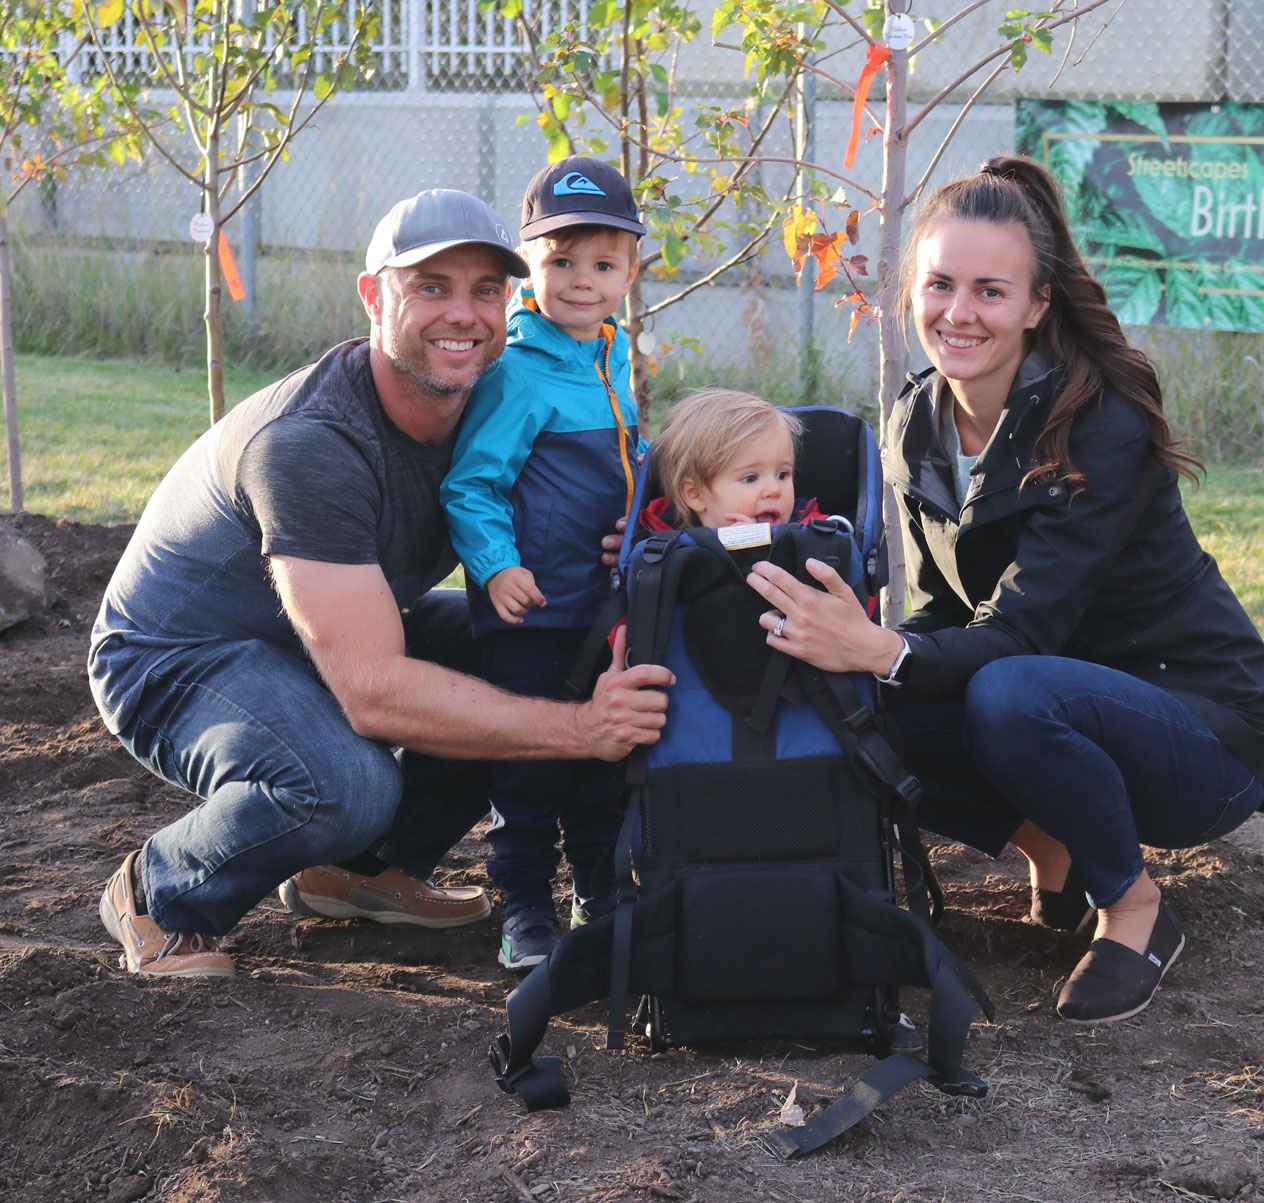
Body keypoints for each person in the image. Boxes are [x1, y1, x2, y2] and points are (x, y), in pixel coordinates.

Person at [745, 155, 1264, 1025]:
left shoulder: (1097, 422)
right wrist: (860, 656)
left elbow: (1021, 634)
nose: (959, 313)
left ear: (1037, 305)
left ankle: (1136, 908)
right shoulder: (915, 419)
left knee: (999, 688)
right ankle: (1054, 846)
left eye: (990, 291)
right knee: (859, 696)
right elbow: (945, 614)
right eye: (940, 285)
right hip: (1053, 701)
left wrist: (882, 648)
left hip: (1199, 733)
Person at [88, 188, 672, 980]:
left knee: (523, 651)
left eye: (485, 290)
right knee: (343, 784)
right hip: (179, 655)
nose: (462, 314)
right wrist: (580, 729)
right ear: (373, 295)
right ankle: (161, 890)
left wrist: (616, 523)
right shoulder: (311, 447)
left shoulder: (483, 395)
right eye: (431, 286)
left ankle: (365, 871)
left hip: (316, 628)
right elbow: (375, 694)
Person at [440, 157, 648, 971]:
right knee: (528, 772)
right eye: (561, 262)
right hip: (532, 609)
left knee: (606, 759)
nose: (581, 282)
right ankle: (524, 903)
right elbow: (472, 484)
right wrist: (495, 567)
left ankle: (596, 887)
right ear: (532, 265)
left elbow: (627, 456)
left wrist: (641, 513)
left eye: (602, 264)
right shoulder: (519, 372)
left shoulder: (611, 356)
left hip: (603, 607)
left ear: (631, 270)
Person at [637, 387, 815, 530]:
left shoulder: (807, 527)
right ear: (696, 494)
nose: (775, 489)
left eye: (782, 475)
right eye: (750, 478)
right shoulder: (665, 541)